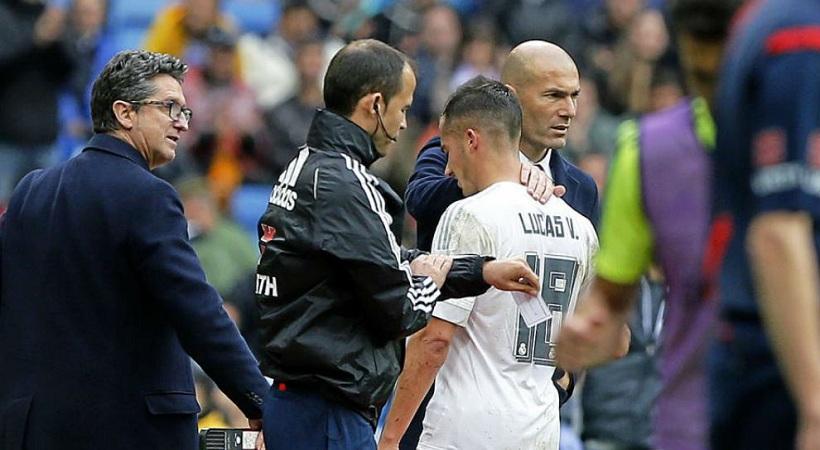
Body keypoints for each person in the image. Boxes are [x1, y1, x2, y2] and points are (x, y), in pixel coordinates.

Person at [255, 39, 540, 450]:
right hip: (331, 414)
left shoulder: (305, 165)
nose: (404, 123)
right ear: (375, 105)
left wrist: (479, 270)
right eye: (402, 108)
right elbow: (401, 309)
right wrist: (430, 282)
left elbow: (375, 263)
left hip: (296, 402)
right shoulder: (349, 185)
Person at [0, 50, 268, 450]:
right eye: (169, 107)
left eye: (184, 111)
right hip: (126, 431)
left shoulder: (29, 191)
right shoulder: (149, 195)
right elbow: (197, 311)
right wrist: (259, 399)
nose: (182, 122)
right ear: (124, 113)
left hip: (31, 431)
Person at [378, 77, 623, 450]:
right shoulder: (579, 226)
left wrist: (391, 437)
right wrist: (564, 375)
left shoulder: (469, 214)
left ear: (471, 140)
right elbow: (614, 339)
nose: (447, 169)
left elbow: (435, 339)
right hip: (540, 429)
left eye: (447, 151)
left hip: (465, 432)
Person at [556, 1, 740, 449]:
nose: (717, 95)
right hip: (686, 424)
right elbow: (608, 304)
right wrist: (582, 333)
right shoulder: (645, 151)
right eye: (702, 77)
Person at [709, 1, 820, 449]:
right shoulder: (799, 34)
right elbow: (778, 230)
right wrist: (814, 406)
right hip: (785, 364)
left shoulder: (769, 22)